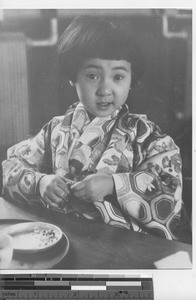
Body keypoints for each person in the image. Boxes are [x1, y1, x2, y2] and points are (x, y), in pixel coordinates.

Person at [1, 15, 191, 243]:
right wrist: (41, 183)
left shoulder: (147, 136)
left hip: (122, 246)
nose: (105, 89)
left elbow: (169, 186)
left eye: (118, 76)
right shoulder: (55, 129)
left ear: (131, 80)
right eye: (92, 75)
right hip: (63, 237)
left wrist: (114, 184)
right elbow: (10, 168)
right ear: (73, 77)